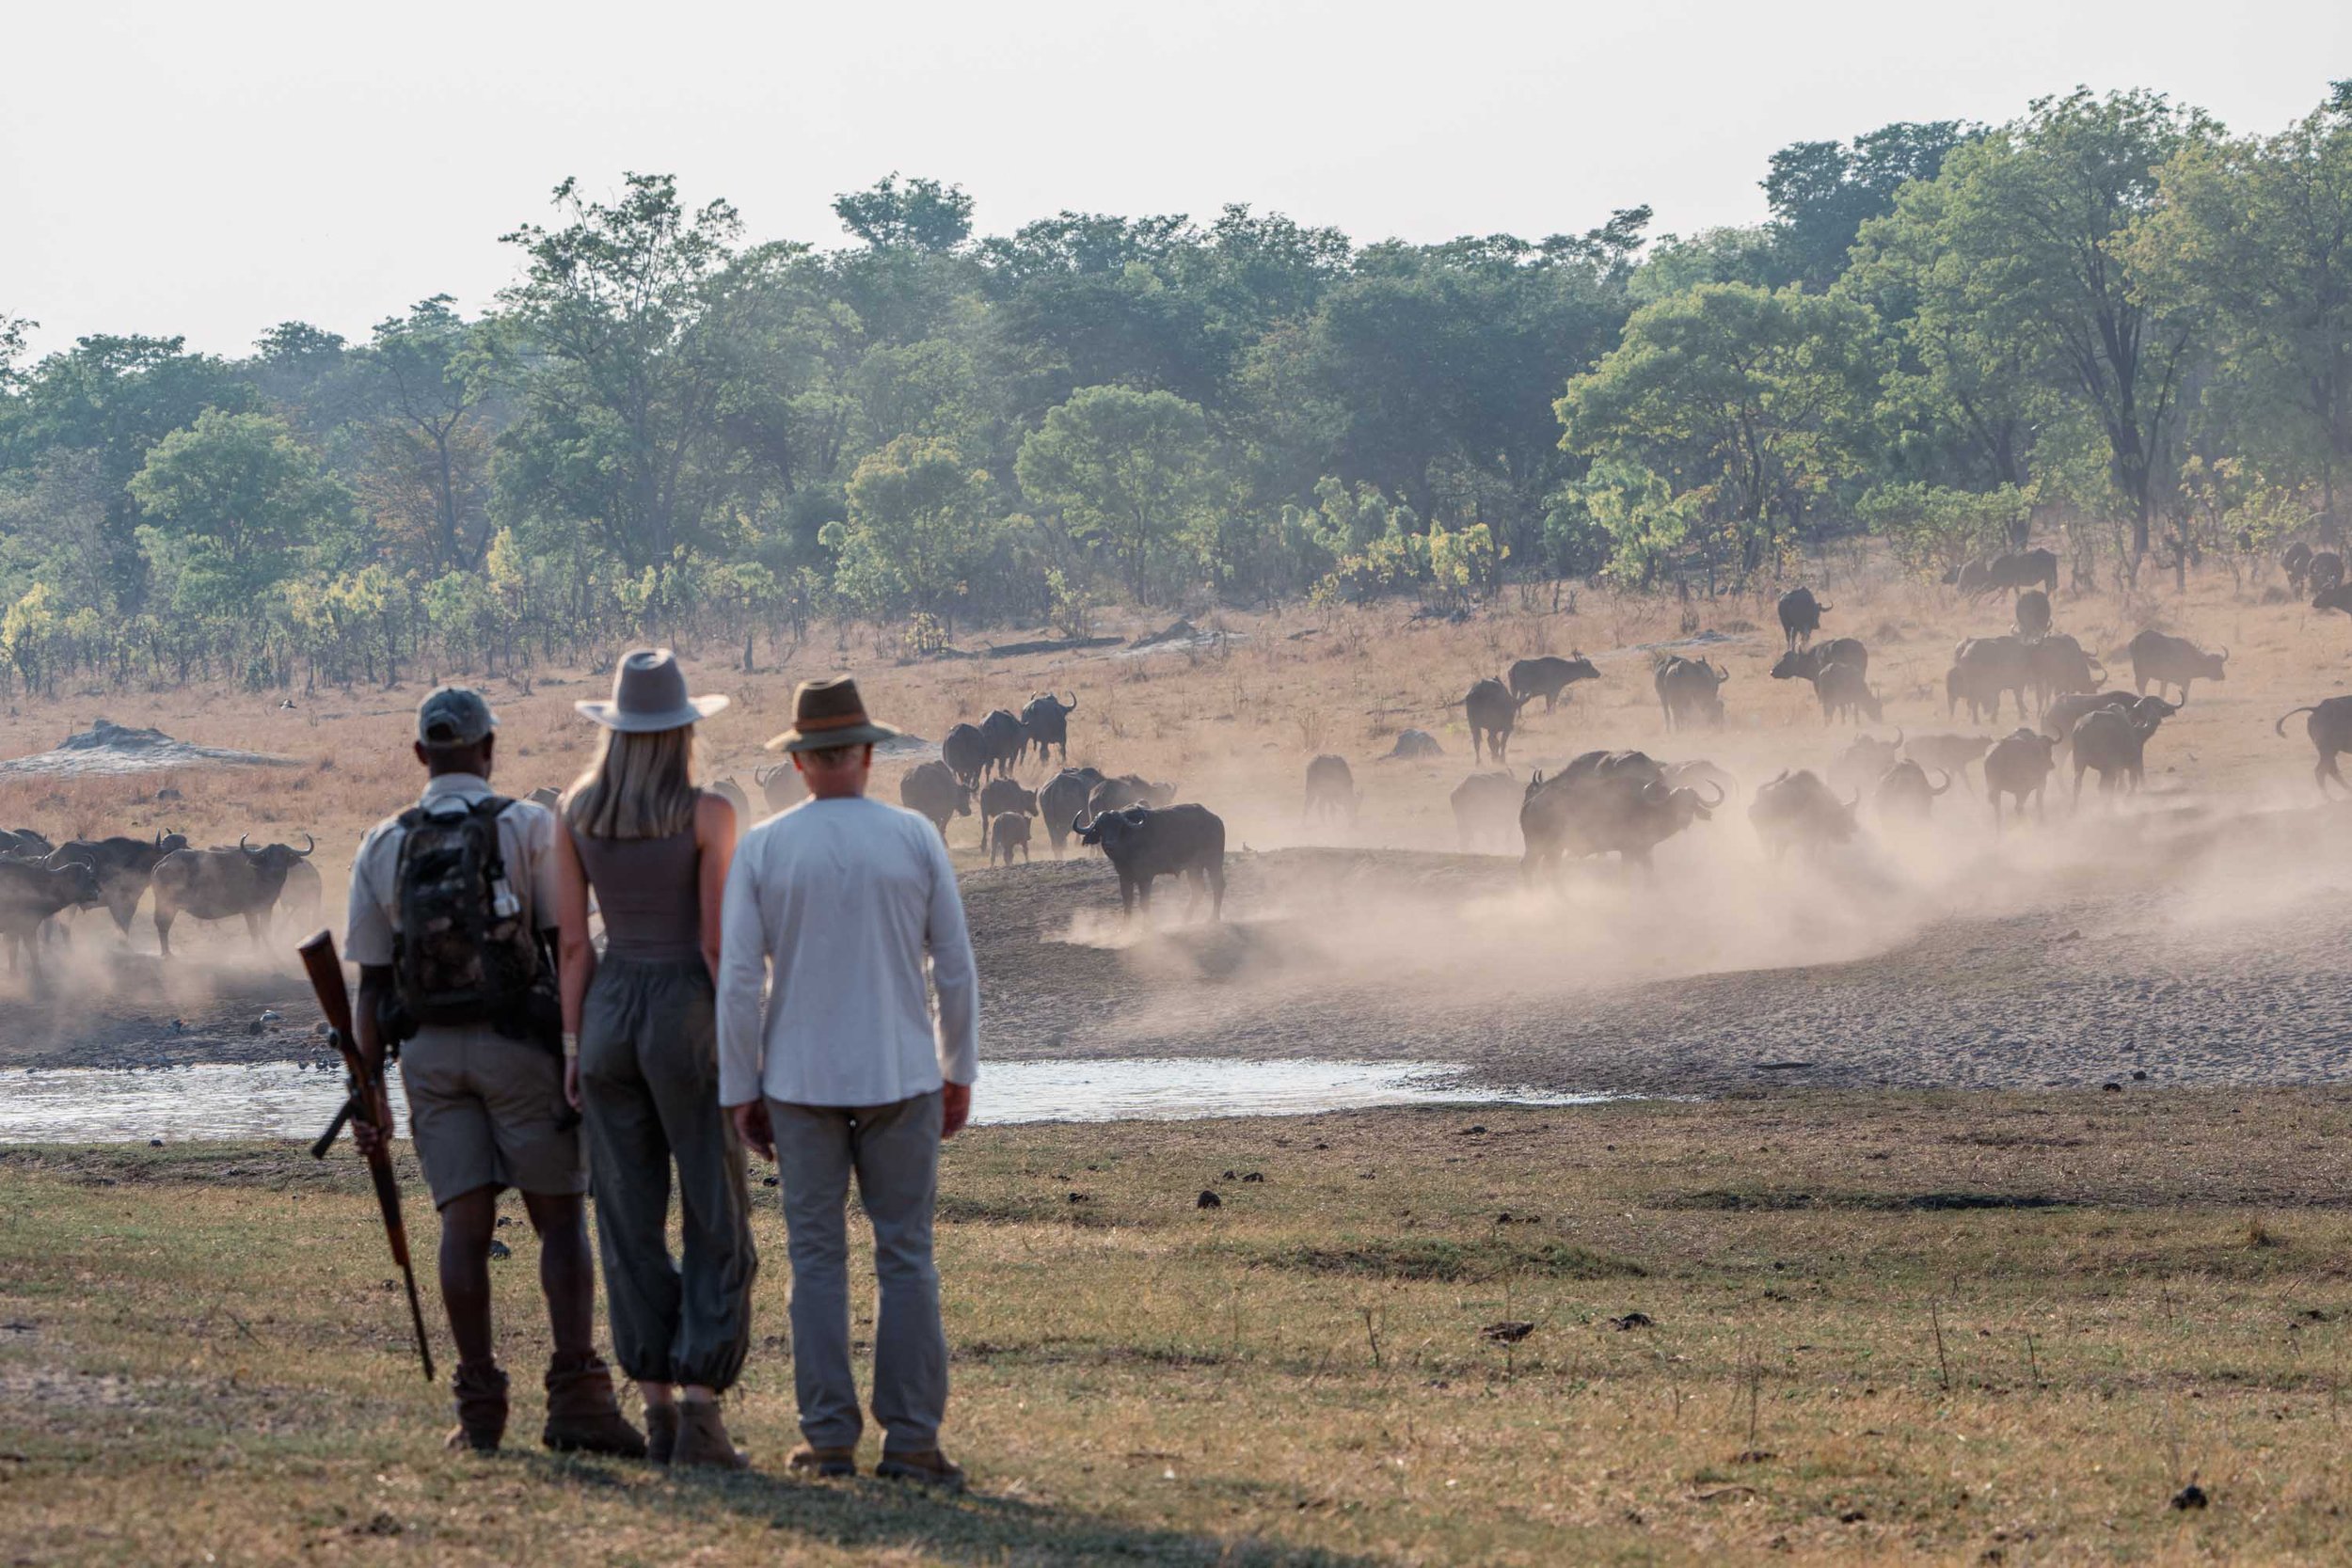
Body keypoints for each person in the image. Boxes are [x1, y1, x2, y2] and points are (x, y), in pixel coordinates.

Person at [346, 686, 644, 1458]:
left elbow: (372, 985)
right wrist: (581, 1054)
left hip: (429, 1060)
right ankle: (577, 1397)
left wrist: (369, 1087)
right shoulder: (527, 825)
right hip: (522, 1048)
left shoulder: (383, 842)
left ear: (420, 755)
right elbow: (565, 946)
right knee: (559, 1221)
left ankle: (479, 1410)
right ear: (489, 749)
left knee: (463, 1227)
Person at [718, 675, 978, 1489]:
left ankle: (828, 1436)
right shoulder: (913, 838)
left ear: (799, 763)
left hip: (798, 1078)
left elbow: (736, 982)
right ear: (868, 753)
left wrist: (739, 1086)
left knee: (817, 1257)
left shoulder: (765, 846)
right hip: (902, 1070)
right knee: (906, 1254)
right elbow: (958, 971)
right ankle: (911, 1440)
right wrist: (957, 1069)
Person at [553, 649, 756, 1468]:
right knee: (716, 1205)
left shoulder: (574, 810)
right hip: (684, 1012)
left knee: (626, 1215)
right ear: (683, 731)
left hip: (607, 1014)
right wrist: (747, 1040)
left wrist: (574, 1045)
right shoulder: (710, 814)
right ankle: (703, 1411)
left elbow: (573, 944)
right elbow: (715, 943)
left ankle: (657, 1407)